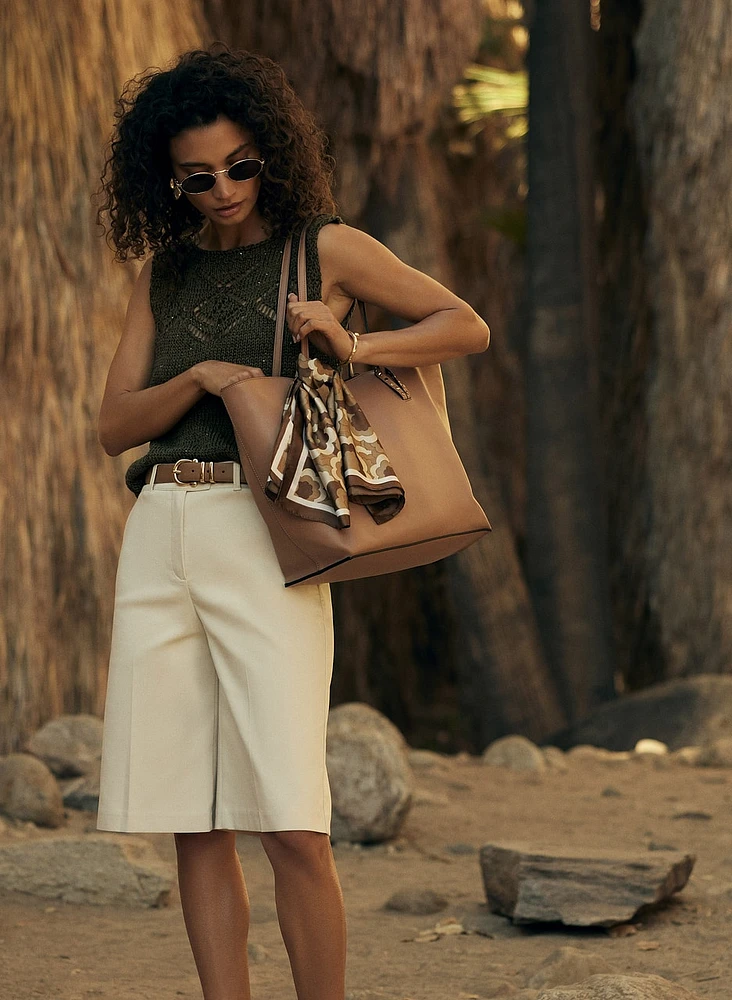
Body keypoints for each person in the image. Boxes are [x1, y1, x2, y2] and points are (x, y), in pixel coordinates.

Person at [94, 43, 489, 1000]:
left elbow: (462, 324)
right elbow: (114, 426)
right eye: (198, 175)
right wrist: (198, 377)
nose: (224, 188)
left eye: (240, 164)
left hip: (263, 529)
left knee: (292, 819)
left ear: (267, 150)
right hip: (161, 535)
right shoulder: (166, 275)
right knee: (193, 815)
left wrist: (352, 339)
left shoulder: (324, 248)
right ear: (168, 177)